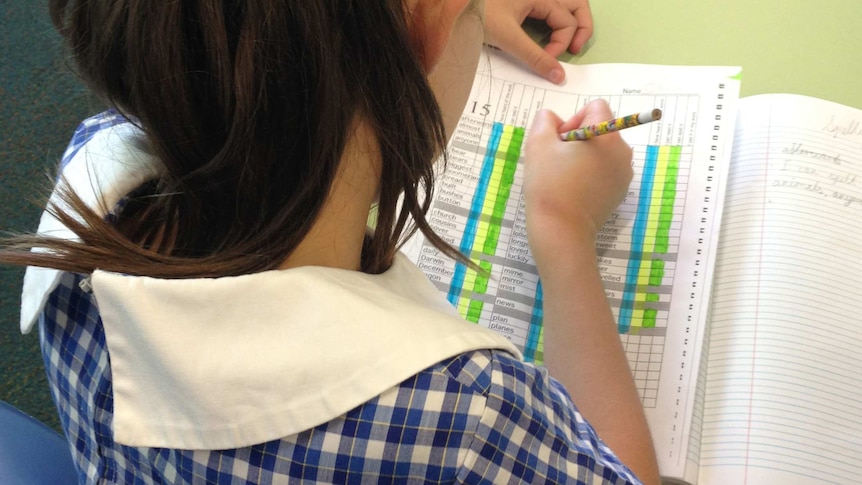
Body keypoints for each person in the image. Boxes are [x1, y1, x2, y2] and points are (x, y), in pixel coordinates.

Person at [1, 0, 660, 483]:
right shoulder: (467, 419)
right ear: (424, 22)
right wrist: (564, 230)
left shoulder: (88, 175)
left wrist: (393, 25)